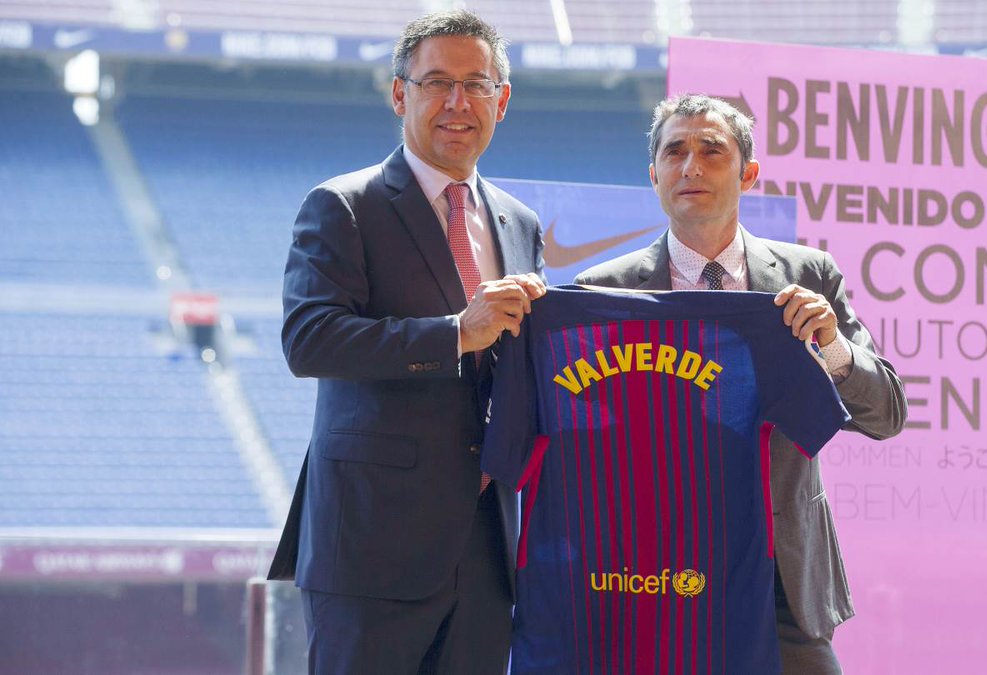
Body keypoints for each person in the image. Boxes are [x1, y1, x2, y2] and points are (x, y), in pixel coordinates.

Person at [574, 94, 907, 674]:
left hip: (781, 580)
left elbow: (886, 414)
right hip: (651, 576)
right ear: (653, 175)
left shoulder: (809, 277)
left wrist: (831, 346)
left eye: (712, 151)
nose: (691, 167)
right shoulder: (602, 292)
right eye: (674, 152)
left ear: (748, 174)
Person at [266, 10, 546, 675]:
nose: (458, 102)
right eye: (437, 82)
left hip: (487, 549)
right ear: (400, 94)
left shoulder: (520, 221)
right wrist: (457, 333)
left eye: (476, 84)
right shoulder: (343, 205)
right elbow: (309, 340)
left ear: (502, 100)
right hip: (371, 550)